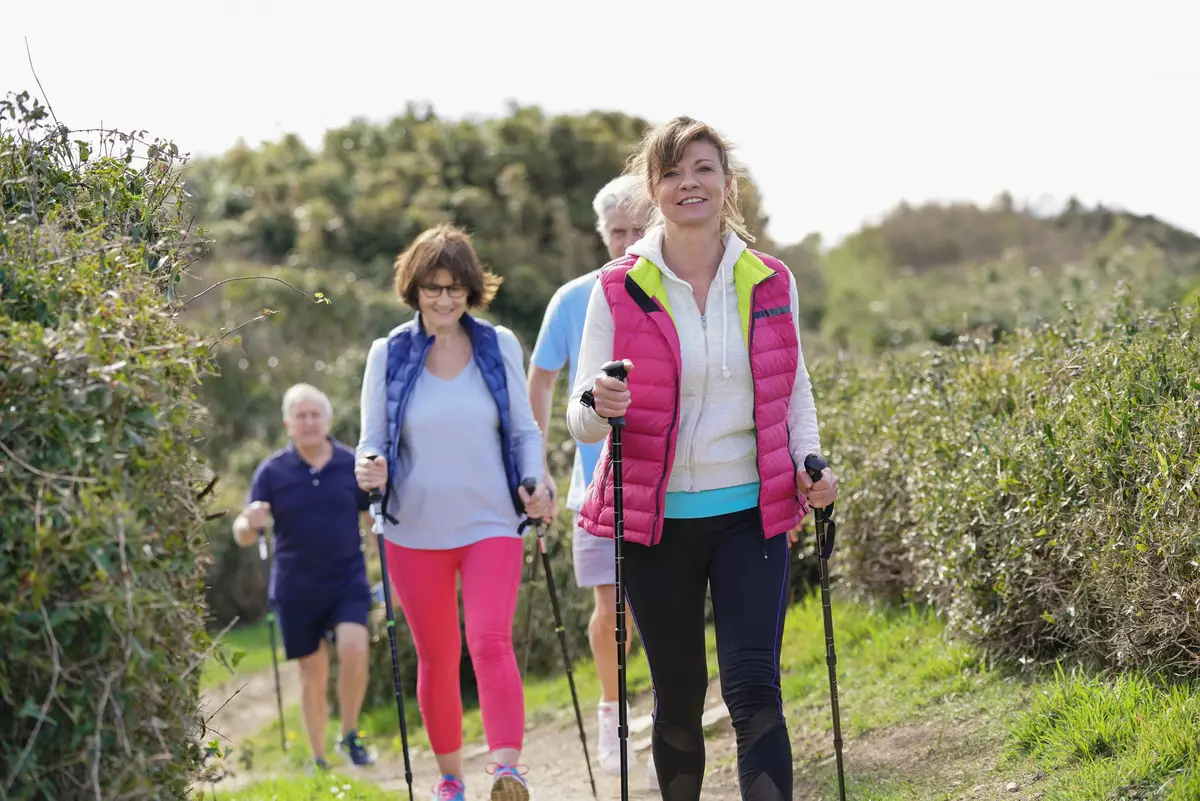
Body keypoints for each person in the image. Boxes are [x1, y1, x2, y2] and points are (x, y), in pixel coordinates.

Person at [565, 116, 840, 801]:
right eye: (674, 172)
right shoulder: (616, 286)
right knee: (680, 698)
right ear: (653, 188)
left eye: (704, 169)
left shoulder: (770, 279)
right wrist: (599, 402)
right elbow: (579, 421)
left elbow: (793, 386)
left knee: (756, 692)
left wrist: (810, 462)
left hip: (751, 511)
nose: (690, 183)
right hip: (657, 523)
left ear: (727, 182)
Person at [354, 223, 552, 801]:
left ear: (471, 290)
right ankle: (449, 779)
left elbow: (523, 429)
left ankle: (506, 772)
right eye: (433, 288)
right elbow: (371, 438)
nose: (444, 300)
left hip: (492, 519)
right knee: (438, 657)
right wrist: (369, 466)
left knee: (491, 640)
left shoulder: (498, 345)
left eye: (455, 289)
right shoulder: (388, 353)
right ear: (413, 289)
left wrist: (534, 481)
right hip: (413, 529)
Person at [526, 174, 653, 780]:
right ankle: (614, 713)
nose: (628, 241)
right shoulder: (574, 297)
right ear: (603, 235)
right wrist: (538, 464)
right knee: (611, 608)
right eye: (617, 232)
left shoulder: (674, 288)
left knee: (659, 608)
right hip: (594, 485)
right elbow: (542, 378)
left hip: (667, 482)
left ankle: (660, 716)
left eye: (638, 228)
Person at [232, 383, 375, 771]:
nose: (309, 422)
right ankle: (319, 758)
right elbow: (244, 534)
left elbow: (373, 518)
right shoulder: (272, 472)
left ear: (328, 420)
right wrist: (249, 521)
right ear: (288, 423)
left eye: (316, 415)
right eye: (301, 416)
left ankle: (349, 733)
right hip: (296, 586)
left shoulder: (351, 464)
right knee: (313, 674)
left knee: (354, 649)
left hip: (347, 579)